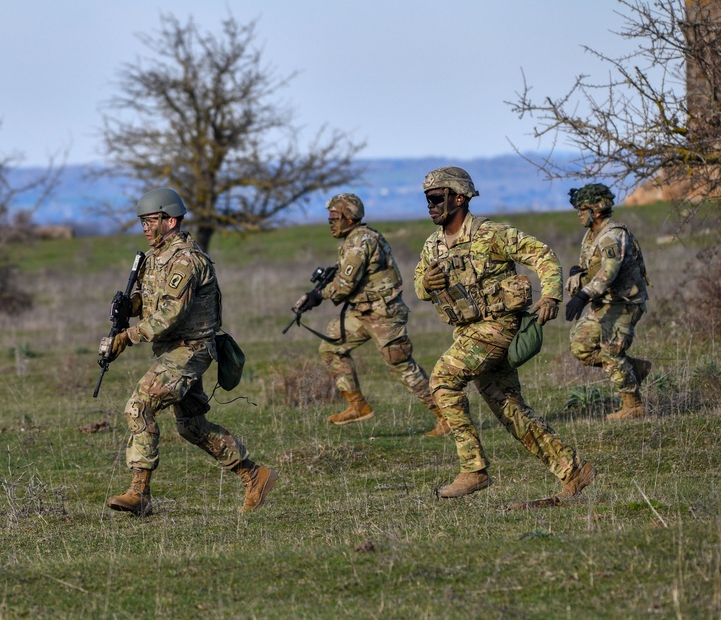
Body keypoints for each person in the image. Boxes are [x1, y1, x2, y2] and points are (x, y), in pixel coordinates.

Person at [413, 166, 595, 500]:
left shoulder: (490, 234)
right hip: (468, 332)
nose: (431, 205)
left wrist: (552, 294)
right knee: (509, 409)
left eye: (437, 198)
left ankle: (473, 470)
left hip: (499, 327)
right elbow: (419, 284)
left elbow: (542, 255)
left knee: (442, 380)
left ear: (459, 197)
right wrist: (426, 284)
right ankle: (573, 470)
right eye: (427, 199)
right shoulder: (433, 246)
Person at [103, 187, 277, 517]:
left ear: (170, 220)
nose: (145, 227)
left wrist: (128, 336)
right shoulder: (153, 259)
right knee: (192, 426)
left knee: (138, 407)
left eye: (151, 220)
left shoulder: (186, 260)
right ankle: (254, 476)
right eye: (142, 221)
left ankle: (139, 493)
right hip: (171, 350)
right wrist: (132, 305)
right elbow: (154, 303)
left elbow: (171, 314)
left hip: (190, 349)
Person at [294, 193, 449, 434]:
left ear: (350, 217)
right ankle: (357, 405)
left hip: (383, 314)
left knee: (401, 366)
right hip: (363, 312)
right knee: (331, 348)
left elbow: (345, 285)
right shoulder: (353, 240)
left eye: (335, 216)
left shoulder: (360, 242)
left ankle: (447, 417)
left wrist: (317, 296)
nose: (330, 221)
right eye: (329, 217)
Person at [565, 183, 651, 420]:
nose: (579, 214)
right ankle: (633, 369)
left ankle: (633, 406)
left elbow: (608, 273)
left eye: (583, 208)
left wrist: (582, 296)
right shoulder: (592, 235)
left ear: (597, 210)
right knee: (581, 347)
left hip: (624, 303)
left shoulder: (613, 236)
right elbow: (595, 269)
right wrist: (580, 274)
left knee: (610, 350)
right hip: (605, 302)